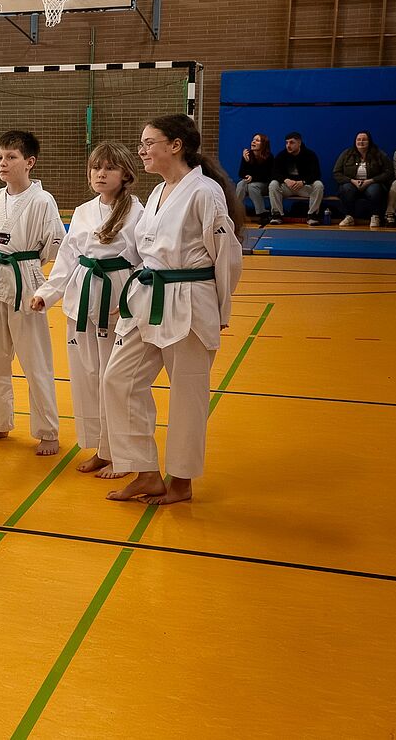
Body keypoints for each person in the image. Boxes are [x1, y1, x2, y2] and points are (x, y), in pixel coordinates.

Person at [103, 115, 244, 506]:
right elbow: (146, 251)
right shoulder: (157, 192)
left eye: (149, 143)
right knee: (118, 379)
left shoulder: (204, 192)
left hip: (190, 301)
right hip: (149, 297)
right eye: (142, 144)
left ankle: (181, 480)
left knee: (187, 393)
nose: (142, 151)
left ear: (176, 145)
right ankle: (146, 473)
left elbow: (227, 256)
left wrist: (220, 309)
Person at [30, 142, 143, 478]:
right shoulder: (82, 211)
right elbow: (68, 258)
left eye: (109, 168)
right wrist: (47, 293)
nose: (100, 174)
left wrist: (134, 300)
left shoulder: (138, 212)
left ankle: (122, 453)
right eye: (96, 167)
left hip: (118, 298)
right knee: (86, 377)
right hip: (82, 297)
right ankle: (101, 448)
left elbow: (145, 261)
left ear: (125, 173)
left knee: (115, 380)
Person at [0, 130, 65, 456]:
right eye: (0, 157)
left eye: (11, 157)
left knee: (35, 360)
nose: (3, 163)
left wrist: (31, 267)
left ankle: (48, 431)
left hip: (26, 280)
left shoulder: (42, 200)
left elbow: (54, 244)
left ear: (29, 162)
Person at [332, 131, 392, 228]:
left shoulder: (379, 154)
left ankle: (375, 216)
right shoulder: (347, 154)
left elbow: (388, 172)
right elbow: (336, 173)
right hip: (352, 183)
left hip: (372, 183)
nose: (361, 142)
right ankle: (349, 216)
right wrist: (352, 181)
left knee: (375, 190)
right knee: (346, 188)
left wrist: (371, 180)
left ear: (369, 141)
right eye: (358, 140)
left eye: (364, 140)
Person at [267, 131, 324, 225]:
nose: (288, 145)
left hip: (304, 187)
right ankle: (277, 215)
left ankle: (312, 215)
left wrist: (303, 182)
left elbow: (316, 174)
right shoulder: (281, 156)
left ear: (299, 143)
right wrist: (286, 180)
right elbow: (274, 174)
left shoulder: (310, 155)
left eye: (291, 142)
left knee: (319, 185)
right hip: (287, 187)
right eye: (286, 143)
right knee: (273, 184)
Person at [236, 133, 272, 225]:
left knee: (252, 186)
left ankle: (262, 214)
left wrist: (252, 177)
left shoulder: (269, 157)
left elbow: (267, 175)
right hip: (251, 183)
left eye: (257, 140)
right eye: (253, 140)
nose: (253, 142)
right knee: (241, 184)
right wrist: (246, 162)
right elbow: (241, 174)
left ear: (263, 144)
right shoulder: (248, 155)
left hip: (265, 184)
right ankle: (236, 212)